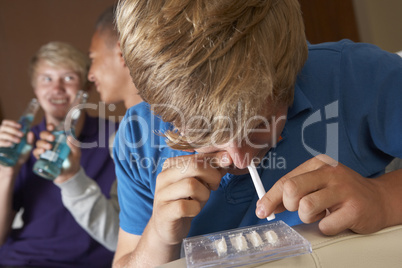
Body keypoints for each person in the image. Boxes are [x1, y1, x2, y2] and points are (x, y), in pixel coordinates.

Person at [113, 0, 402, 266]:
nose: (238, 159)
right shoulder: (138, 138)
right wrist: (159, 236)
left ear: (289, 79)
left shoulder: (354, 76)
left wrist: (382, 199)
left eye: (259, 124)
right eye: (203, 131)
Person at [32, 6, 142, 253]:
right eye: (46, 79)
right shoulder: (127, 134)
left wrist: (71, 179)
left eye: (92, 59)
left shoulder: (122, 138)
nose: (92, 75)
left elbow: (125, 241)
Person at [0, 42, 117, 267]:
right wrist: (7, 170)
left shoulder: (116, 136)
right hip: (25, 259)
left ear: (86, 87)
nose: (57, 89)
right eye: (47, 79)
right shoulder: (24, 141)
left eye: (68, 78)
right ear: (35, 89)